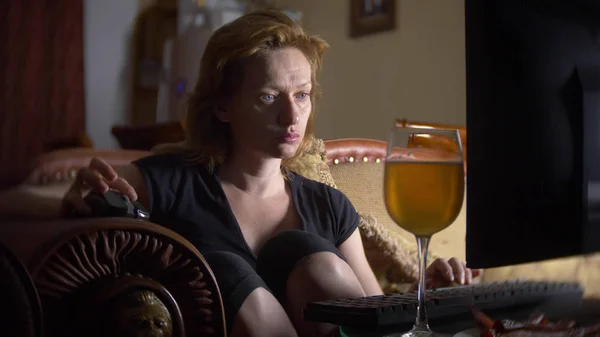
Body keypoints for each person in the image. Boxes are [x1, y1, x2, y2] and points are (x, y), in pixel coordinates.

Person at [61, 10, 480, 337]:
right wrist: (77, 193)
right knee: (223, 267)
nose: (291, 115)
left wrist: (428, 291)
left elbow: (373, 309)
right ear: (222, 106)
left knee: (305, 253)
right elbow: (23, 198)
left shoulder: (328, 203)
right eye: (268, 96)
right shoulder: (174, 180)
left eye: (302, 95)